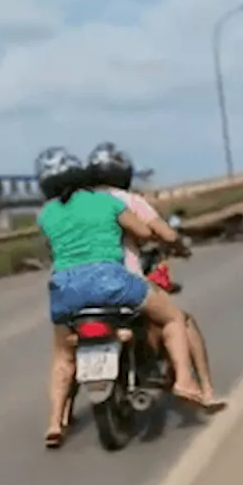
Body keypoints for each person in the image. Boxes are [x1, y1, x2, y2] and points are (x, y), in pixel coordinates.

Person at [35, 148, 220, 450]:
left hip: (64, 288)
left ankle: (55, 422)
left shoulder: (46, 214)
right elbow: (145, 233)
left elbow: (51, 247)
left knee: (62, 356)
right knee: (173, 318)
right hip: (111, 280)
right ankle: (185, 380)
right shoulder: (107, 202)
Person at [85, 142, 225, 411]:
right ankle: (200, 388)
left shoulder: (76, 205)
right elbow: (163, 233)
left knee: (64, 352)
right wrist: (179, 246)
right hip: (123, 283)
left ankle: (59, 417)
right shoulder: (128, 201)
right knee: (180, 320)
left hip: (80, 289)